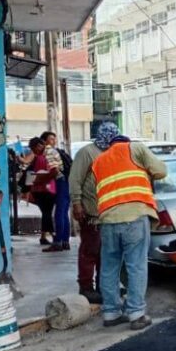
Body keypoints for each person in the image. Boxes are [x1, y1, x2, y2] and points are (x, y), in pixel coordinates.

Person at [79, 123, 167, 329]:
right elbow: (161, 171)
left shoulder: (99, 161)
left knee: (109, 267)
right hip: (134, 216)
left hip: (108, 221)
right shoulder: (135, 149)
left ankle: (110, 313)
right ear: (125, 141)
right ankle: (136, 314)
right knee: (135, 265)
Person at [68, 123, 111, 304]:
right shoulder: (87, 152)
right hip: (91, 212)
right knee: (90, 250)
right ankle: (86, 287)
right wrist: (77, 204)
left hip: (108, 212)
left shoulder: (112, 152)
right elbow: (75, 179)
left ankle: (103, 286)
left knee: (106, 251)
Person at [41, 132, 72, 252]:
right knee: (64, 212)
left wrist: (43, 178)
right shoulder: (56, 151)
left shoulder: (48, 152)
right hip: (67, 180)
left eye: (53, 139)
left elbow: (55, 170)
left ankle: (58, 242)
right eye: (51, 139)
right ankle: (65, 241)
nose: (53, 141)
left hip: (61, 181)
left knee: (59, 213)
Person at [25, 137, 58, 246]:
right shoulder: (43, 157)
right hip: (46, 189)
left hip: (39, 189)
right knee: (47, 213)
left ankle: (44, 236)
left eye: (34, 149)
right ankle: (52, 235)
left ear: (39, 146)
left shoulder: (42, 157)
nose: (34, 152)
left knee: (46, 213)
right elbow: (45, 174)